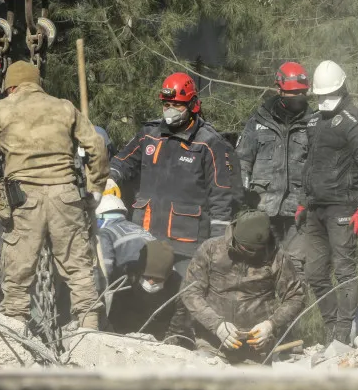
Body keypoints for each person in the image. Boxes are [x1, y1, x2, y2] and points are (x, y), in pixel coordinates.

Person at [0, 61, 109, 330]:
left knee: (18, 272)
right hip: (65, 196)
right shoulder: (64, 107)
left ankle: (15, 329)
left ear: (10, 87)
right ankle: (90, 327)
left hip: (24, 199)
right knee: (78, 267)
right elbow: (96, 144)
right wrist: (96, 187)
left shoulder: (3, 108)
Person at [108, 72, 242, 276]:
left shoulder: (209, 143)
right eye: (166, 104)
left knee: (184, 293)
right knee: (140, 292)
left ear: (192, 104)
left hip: (186, 245)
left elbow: (221, 198)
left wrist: (217, 247)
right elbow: (123, 161)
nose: (170, 110)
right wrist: (111, 177)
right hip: (146, 237)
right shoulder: (149, 134)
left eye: (177, 105)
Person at [297, 60, 358, 345]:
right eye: (320, 96)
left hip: (343, 208)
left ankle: (343, 334)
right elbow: (309, 164)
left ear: (342, 88)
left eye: (329, 94)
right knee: (314, 273)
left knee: (344, 271)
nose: (324, 101)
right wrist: (303, 200)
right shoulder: (314, 121)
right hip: (315, 208)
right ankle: (332, 327)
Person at [182, 211, 305, 364]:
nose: (250, 254)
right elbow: (190, 292)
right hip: (211, 341)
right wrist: (217, 325)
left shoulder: (277, 257)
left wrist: (271, 324)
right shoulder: (211, 249)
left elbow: (295, 297)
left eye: (255, 250)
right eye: (245, 248)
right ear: (234, 237)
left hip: (256, 346)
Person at [236, 61, 313, 275]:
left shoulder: (313, 124)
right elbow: (242, 160)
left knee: (295, 268)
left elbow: (317, 167)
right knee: (260, 266)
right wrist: (244, 197)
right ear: (279, 89)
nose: (297, 97)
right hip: (262, 207)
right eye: (292, 93)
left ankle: (294, 298)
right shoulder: (258, 121)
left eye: (301, 93)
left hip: (298, 211)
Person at [95, 197, 194, 346]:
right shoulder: (138, 229)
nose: (152, 282)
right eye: (149, 278)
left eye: (157, 279)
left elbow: (103, 274)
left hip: (147, 296)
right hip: (132, 287)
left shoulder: (105, 233)